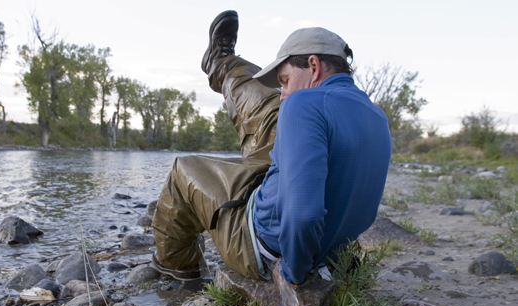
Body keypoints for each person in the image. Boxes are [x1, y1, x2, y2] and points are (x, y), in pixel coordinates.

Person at [151, 10, 391, 285]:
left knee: (185, 169)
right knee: (270, 108)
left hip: (263, 248)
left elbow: (304, 216)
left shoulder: (302, 105)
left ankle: (176, 265)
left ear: (313, 66)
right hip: (327, 246)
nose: (283, 93)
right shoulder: (377, 116)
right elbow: (364, 213)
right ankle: (223, 62)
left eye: (285, 80)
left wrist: (293, 273)